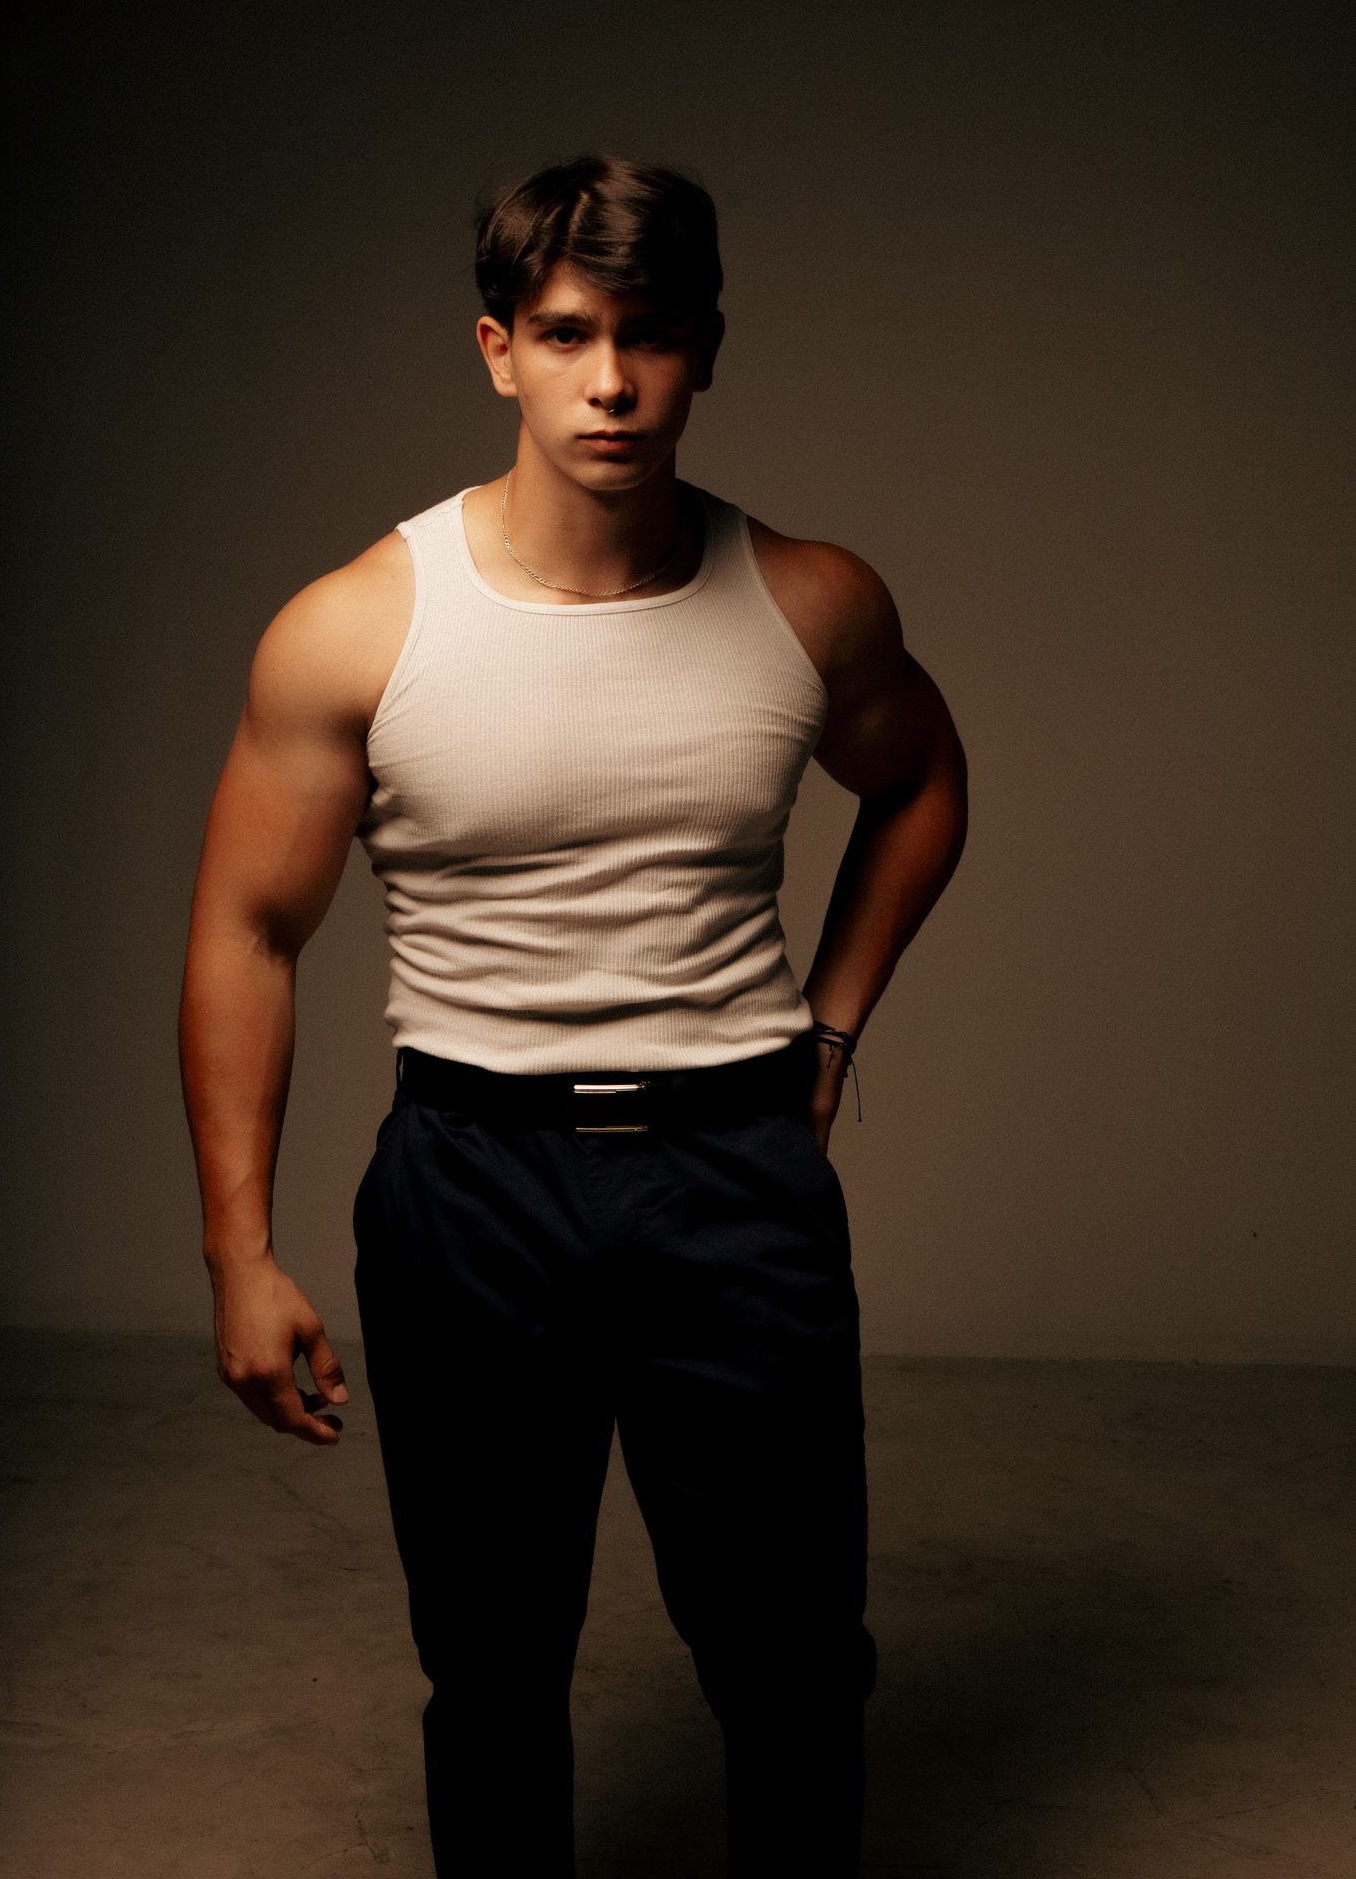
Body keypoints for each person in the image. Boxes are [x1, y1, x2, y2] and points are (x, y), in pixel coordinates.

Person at [179, 155, 967, 1878]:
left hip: (732, 1178)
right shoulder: (358, 628)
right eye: (564, 334)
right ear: (497, 351)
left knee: (792, 1668)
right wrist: (240, 1252)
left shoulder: (809, 602)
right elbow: (247, 931)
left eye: (649, 336)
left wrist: (827, 1035)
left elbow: (921, 781)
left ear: (706, 351)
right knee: (491, 1672)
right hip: (471, 1179)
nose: (609, 382)